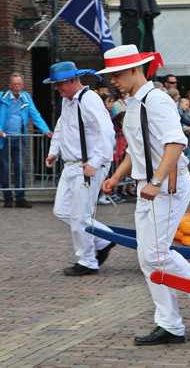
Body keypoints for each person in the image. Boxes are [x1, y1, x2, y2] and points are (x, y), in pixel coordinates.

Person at [99, 45, 190, 345]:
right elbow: (135, 151)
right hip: (150, 187)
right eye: (111, 75)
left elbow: (176, 143)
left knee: (155, 254)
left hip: (167, 186)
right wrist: (116, 176)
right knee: (147, 257)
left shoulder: (157, 101)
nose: (113, 80)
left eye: (116, 74)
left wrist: (154, 180)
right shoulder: (135, 105)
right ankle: (170, 325)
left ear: (134, 70)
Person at [43, 61, 116, 276]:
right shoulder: (68, 100)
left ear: (73, 80)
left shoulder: (89, 99)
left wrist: (94, 163)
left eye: (59, 84)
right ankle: (104, 238)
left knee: (80, 215)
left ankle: (87, 262)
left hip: (87, 165)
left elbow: (107, 132)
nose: (56, 88)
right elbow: (61, 127)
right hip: (71, 165)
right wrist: (53, 151)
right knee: (62, 210)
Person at [1, 73, 53, 208]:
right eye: (14, 84)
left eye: (19, 84)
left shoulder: (26, 98)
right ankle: (7, 197)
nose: (16, 87)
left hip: (19, 139)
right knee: (5, 169)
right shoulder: (2, 98)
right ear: (9, 85)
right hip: (4, 139)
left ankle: (20, 197)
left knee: (20, 168)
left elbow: (35, 115)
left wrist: (45, 129)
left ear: (22, 86)